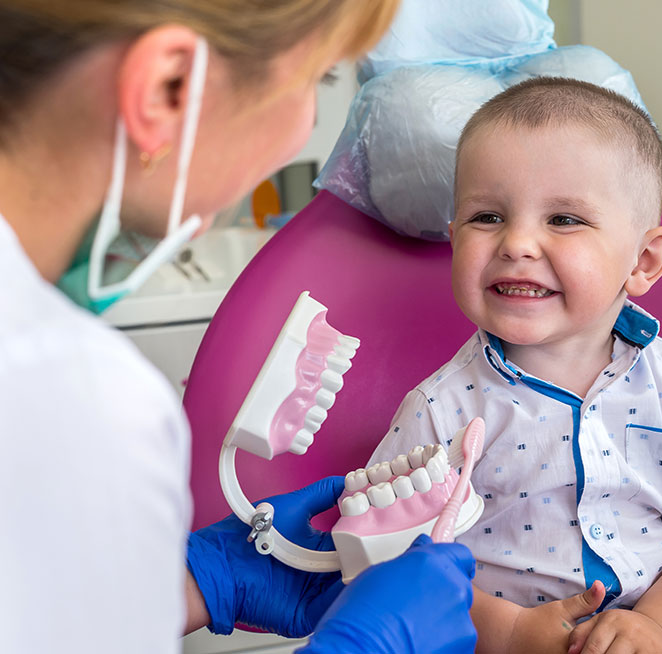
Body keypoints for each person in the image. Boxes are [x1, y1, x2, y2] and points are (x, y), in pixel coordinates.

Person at [0, 2, 477, 652]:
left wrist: (192, 583)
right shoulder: (76, 400)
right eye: (320, 77)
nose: (308, 121)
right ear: (169, 87)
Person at [368, 77, 662, 653]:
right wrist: (509, 633)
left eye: (563, 220)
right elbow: (388, 563)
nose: (517, 244)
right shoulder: (441, 409)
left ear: (643, 260)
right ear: (454, 237)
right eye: (487, 217)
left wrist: (658, 625)